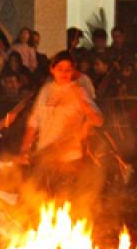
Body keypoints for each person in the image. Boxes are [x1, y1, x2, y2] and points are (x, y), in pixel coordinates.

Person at [19, 51, 105, 207]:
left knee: (63, 202)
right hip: (44, 155)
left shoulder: (79, 91)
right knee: (39, 202)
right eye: (60, 69)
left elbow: (98, 121)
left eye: (68, 69)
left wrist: (83, 103)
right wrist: (25, 148)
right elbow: (34, 121)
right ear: (52, 70)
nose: (64, 73)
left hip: (68, 158)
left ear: (73, 70)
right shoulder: (46, 90)